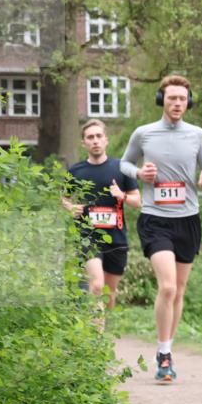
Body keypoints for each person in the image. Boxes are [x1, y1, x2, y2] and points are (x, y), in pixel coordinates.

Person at [120, 75, 202, 382]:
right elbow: (122, 164)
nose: (177, 103)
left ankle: (167, 348)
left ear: (189, 101)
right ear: (162, 100)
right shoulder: (144, 133)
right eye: (172, 98)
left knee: (179, 291)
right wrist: (138, 172)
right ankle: (163, 355)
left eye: (182, 98)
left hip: (188, 219)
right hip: (155, 218)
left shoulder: (198, 135)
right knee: (168, 286)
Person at [65, 119, 141, 310]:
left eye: (99, 136)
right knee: (97, 286)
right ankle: (97, 338)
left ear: (106, 140)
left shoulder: (122, 167)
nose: (95, 140)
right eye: (90, 137)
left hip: (116, 237)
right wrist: (69, 208)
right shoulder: (76, 171)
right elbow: (62, 198)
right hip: (88, 235)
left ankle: (105, 332)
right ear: (84, 143)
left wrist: (122, 195)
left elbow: (137, 201)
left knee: (109, 292)